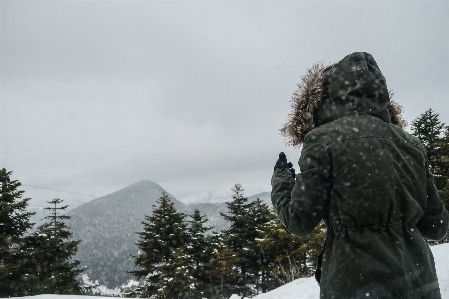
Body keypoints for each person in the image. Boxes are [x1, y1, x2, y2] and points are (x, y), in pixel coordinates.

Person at [271, 52, 449, 299]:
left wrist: (281, 180)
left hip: (358, 284)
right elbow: (437, 227)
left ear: (323, 97)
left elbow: (299, 221)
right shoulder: (410, 143)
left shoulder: (322, 141)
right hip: (420, 284)